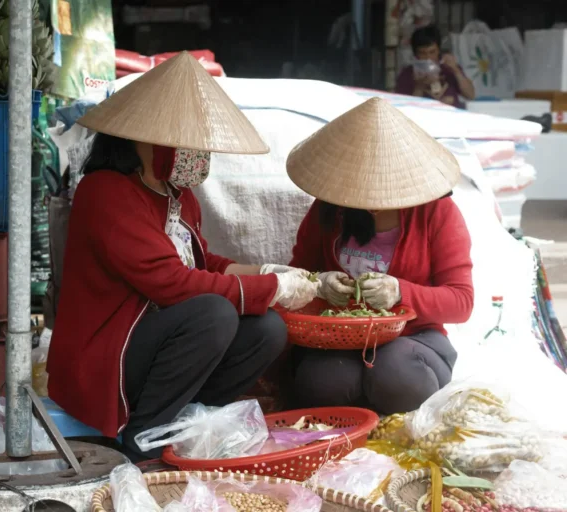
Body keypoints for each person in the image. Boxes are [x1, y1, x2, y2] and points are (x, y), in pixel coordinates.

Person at [46, 52, 320, 460]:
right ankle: (144, 436)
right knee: (213, 313)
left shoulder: (179, 195)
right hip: (108, 351)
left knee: (267, 329)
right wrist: (270, 286)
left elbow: (202, 261)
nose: (199, 153)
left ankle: (191, 418)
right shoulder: (106, 192)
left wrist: (272, 272)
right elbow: (172, 282)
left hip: (158, 340)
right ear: (146, 137)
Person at [284, 97, 474, 415]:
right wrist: (318, 284)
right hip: (339, 340)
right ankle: (359, 416)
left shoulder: (437, 212)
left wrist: (401, 292)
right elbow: (294, 278)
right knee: (320, 382)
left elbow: (461, 302)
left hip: (415, 340)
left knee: (396, 374)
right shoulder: (328, 208)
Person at [395, 24, 476, 108]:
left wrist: (456, 70)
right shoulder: (406, 74)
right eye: (422, 53)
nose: (428, 57)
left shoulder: (448, 68)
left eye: (432, 52)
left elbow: (471, 95)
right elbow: (406, 108)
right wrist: (419, 87)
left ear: (438, 50)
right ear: (415, 54)